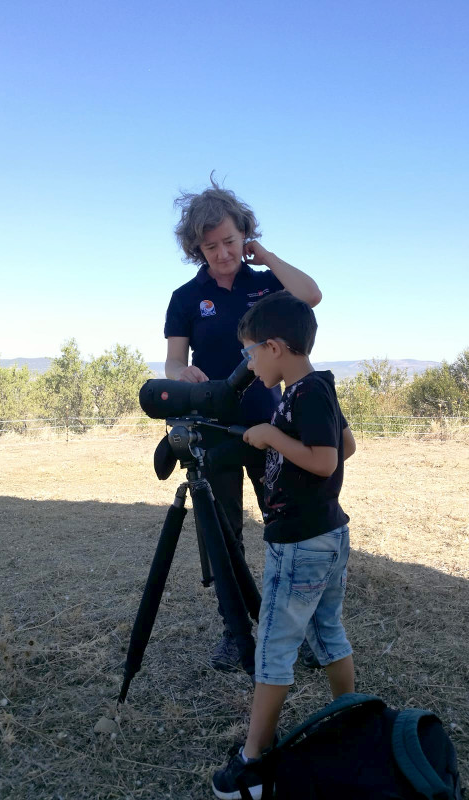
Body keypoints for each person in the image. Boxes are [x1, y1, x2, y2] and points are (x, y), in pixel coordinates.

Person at [164, 175, 321, 671]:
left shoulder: (266, 284)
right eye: (210, 246)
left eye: (230, 241)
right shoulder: (185, 297)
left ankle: (303, 630)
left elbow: (312, 296)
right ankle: (237, 635)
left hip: (273, 424)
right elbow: (172, 362)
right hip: (213, 431)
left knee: (289, 527)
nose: (223, 253)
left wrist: (267, 257)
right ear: (196, 248)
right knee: (223, 535)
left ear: (244, 235)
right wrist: (180, 374)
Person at [212, 291, 356, 800]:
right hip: (328, 535)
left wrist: (273, 438)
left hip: (300, 543)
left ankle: (253, 760)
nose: (249, 364)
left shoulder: (306, 393)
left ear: (274, 347)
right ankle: (351, 720)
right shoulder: (317, 387)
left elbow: (325, 461)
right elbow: (348, 444)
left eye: (251, 352)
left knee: (274, 645)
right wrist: (280, 431)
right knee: (327, 628)